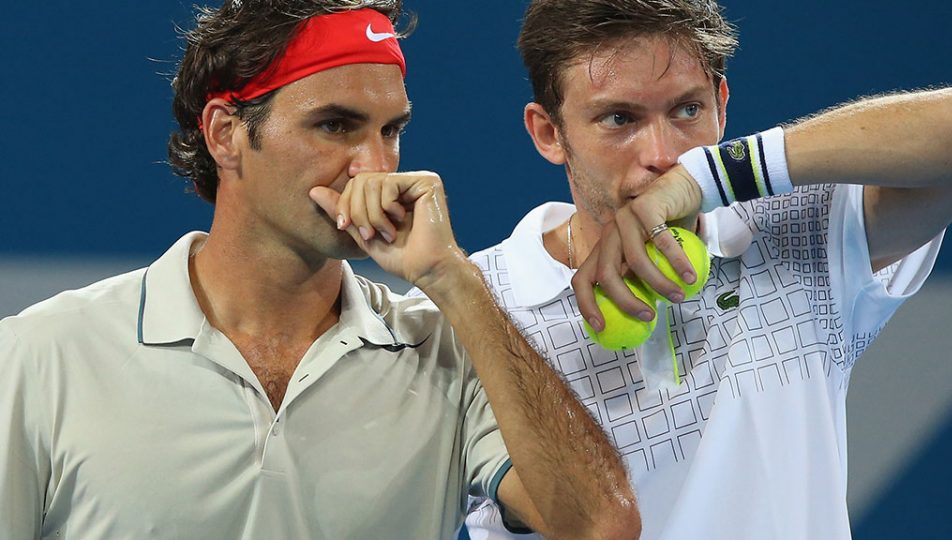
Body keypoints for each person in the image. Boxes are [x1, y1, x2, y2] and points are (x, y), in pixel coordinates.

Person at [0, 2, 643, 539]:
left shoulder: (443, 347)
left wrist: (451, 278)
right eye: (334, 126)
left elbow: (599, 529)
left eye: (390, 131)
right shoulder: (41, 356)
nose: (373, 165)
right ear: (225, 133)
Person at [456, 0, 952, 538]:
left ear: (722, 104)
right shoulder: (471, 306)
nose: (663, 153)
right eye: (619, 119)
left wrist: (719, 175)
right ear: (548, 133)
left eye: (687, 111)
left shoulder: (805, 233)